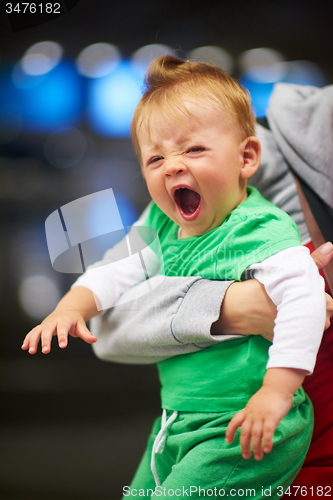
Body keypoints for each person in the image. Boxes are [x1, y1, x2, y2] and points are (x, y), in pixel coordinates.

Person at [22, 57, 327, 498]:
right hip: (177, 418)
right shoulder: (159, 223)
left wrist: (277, 393)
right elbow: (113, 269)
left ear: (246, 157)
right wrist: (72, 307)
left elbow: (304, 299)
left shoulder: (262, 229)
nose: (172, 166)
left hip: (244, 422)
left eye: (194, 150)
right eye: (155, 158)